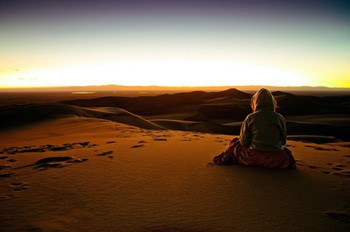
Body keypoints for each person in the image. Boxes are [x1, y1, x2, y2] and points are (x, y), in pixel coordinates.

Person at [213, 88, 296, 168]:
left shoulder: (250, 118)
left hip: (253, 157)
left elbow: (243, 142)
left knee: (235, 143)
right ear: (273, 102)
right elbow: (283, 141)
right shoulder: (280, 118)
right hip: (277, 160)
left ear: (256, 102)